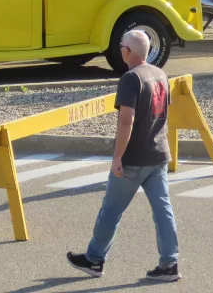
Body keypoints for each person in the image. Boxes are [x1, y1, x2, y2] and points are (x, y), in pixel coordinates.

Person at [67, 28, 180, 282]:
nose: (120, 50)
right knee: (163, 209)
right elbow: (163, 114)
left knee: (111, 209)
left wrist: (117, 157)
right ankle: (169, 263)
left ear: (128, 51)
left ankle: (94, 259)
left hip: (134, 158)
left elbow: (126, 120)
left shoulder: (131, 78)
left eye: (121, 46)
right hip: (158, 154)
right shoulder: (160, 74)